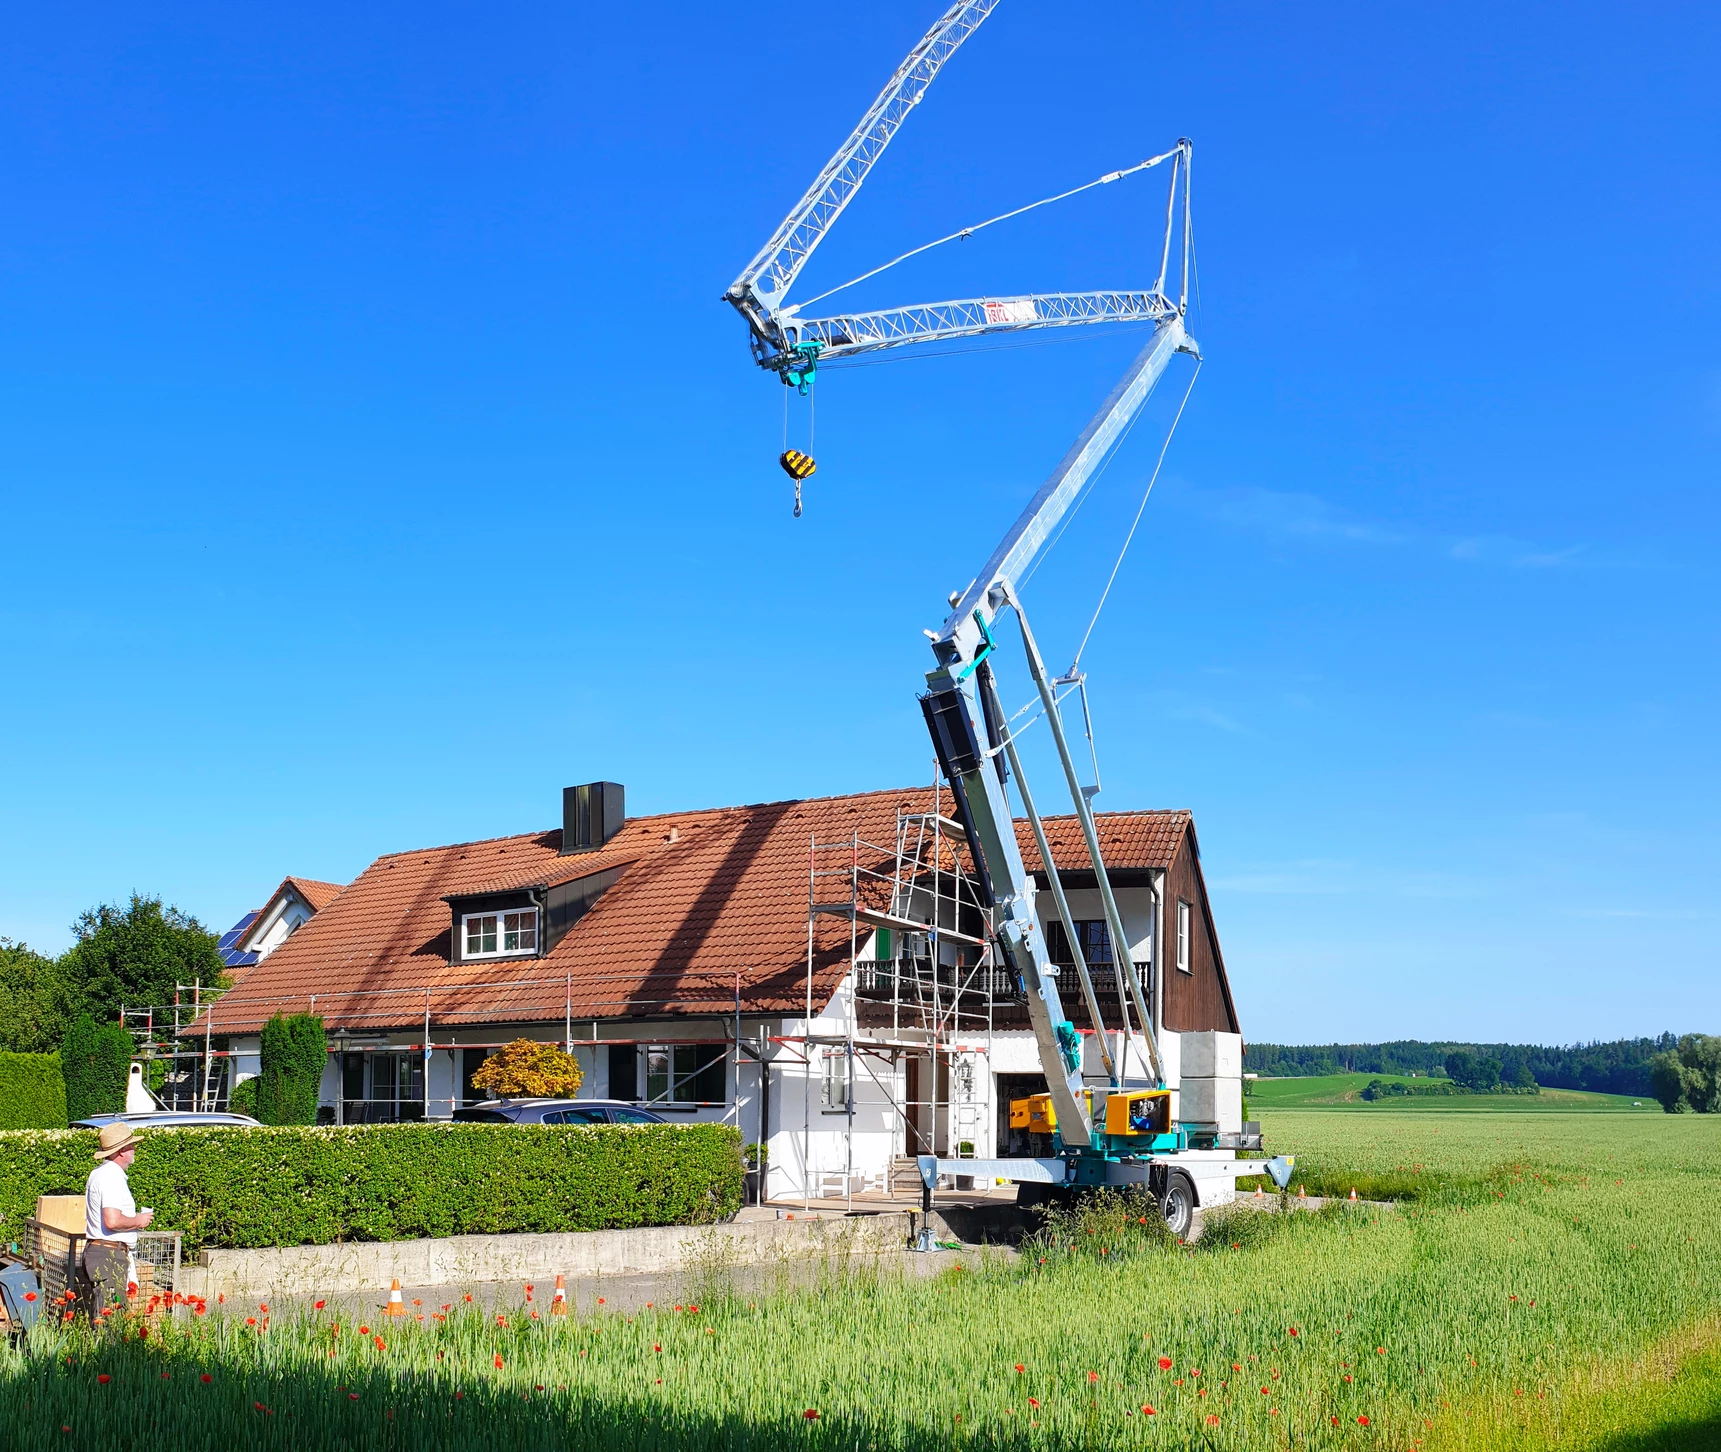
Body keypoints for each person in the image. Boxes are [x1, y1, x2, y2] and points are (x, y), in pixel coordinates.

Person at [83, 1122, 153, 1321]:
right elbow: (112, 1220)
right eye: (131, 1146)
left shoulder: (100, 1173)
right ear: (122, 1151)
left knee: (109, 1313)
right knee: (110, 1319)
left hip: (104, 1252)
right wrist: (138, 1220)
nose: (134, 1149)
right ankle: (103, 1352)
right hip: (108, 1254)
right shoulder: (111, 1176)